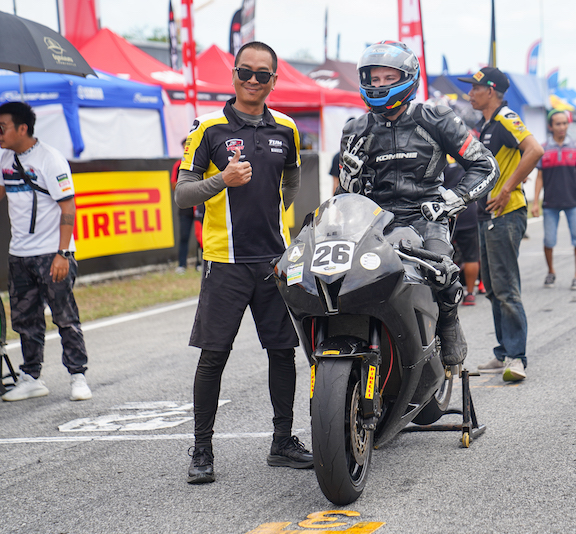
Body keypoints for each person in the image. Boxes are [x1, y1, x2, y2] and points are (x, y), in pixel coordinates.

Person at [174, 41, 309, 485]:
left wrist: (280, 211)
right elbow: (182, 194)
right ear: (233, 75)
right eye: (245, 72)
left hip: (273, 261)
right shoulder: (208, 127)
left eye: (262, 74)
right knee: (213, 357)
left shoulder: (286, 127)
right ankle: (202, 451)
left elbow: (292, 175)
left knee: (282, 353)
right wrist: (223, 179)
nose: (253, 81)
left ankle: (282, 443)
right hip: (225, 263)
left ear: (274, 80)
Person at [338, 41, 498, 366]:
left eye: (388, 77)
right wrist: (350, 178)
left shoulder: (435, 117)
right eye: (374, 78)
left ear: (408, 77)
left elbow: (486, 165)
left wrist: (452, 200)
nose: (380, 84)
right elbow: (350, 192)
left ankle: (450, 324)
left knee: (442, 269)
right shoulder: (355, 129)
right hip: (375, 222)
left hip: (427, 215)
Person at [0, 102, 92, 402]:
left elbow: (68, 207)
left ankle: (78, 376)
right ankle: (31, 377)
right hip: (19, 254)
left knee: (64, 316)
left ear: (22, 128)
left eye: (3, 128)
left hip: (52, 253)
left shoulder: (50, 159)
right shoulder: (4, 158)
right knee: (25, 319)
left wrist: (63, 253)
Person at [458, 67, 544, 382]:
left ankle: (517, 358)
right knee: (493, 288)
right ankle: (503, 352)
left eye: (475, 88)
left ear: (491, 90)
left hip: (506, 213)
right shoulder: (486, 124)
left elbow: (535, 150)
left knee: (506, 288)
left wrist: (507, 188)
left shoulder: (507, 118)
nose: (470, 94)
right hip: (486, 214)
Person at [531, 110, 576, 291]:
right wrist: (535, 202)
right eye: (558, 124)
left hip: (573, 201)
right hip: (550, 203)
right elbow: (539, 176)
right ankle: (551, 271)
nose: (562, 127)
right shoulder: (544, 148)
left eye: (564, 123)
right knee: (549, 240)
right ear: (550, 126)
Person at [442, 156, 480, 306]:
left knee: (443, 256)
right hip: (468, 211)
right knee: (471, 256)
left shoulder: (438, 156)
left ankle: (447, 295)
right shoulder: (468, 157)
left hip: (445, 213)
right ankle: (470, 293)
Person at [171, 138, 195, 274]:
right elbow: (174, 184)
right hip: (185, 206)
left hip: (200, 206)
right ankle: (182, 264)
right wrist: (187, 189)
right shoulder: (179, 165)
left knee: (201, 237)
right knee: (184, 236)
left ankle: (200, 263)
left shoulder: (201, 161)